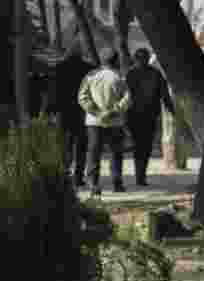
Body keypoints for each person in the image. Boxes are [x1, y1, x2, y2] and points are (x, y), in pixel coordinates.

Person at [77, 50, 132, 196]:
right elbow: (127, 99)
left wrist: (96, 112)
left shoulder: (91, 76)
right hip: (115, 122)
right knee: (116, 153)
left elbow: (82, 97)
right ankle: (117, 183)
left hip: (94, 121)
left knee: (94, 152)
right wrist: (114, 111)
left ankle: (93, 184)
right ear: (115, 61)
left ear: (102, 60)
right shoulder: (120, 76)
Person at [125, 47, 174, 187]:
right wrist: (171, 110)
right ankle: (141, 175)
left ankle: (140, 175)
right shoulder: (154, 73)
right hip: (147, 115)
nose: (142, 61)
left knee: (140, 146)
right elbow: (165, 95)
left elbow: (124, 96)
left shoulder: (131, 74)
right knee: (144, 147)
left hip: (136, 115)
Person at [48, 43, 94, 186]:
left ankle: (64, 173)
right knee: (81, 144)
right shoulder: (89, 69)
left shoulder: (59, 68)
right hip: (82, 111)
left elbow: (54, 90)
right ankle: (78, 177)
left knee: (63, 143)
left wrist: (52, 109)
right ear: (81, 53)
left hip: (64, 111)